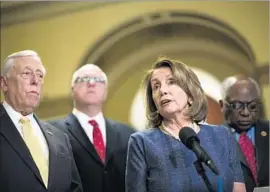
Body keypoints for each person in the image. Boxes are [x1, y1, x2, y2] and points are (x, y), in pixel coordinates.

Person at [125, 57, 246, 192]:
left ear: (190, 94)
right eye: (156, 86)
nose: (163, 90)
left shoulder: (222, 135)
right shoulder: (141, 142)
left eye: (171, 82)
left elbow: (238, 188)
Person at [0, 50, 82, 192]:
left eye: (40, 75)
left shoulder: (60, 138)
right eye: (26, 73)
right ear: (4, 83)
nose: (35, 81)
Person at [48, 64, 135, 192]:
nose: (92, 83)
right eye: (83, 79)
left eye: (98, 80)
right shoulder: (52, 132)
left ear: (106, 91)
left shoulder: (129, 134)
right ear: (72, 89)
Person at [219, 75, 269, 192]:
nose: (246, 112)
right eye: (237, 105)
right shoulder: (213, 140)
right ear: (222, 105)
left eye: (253, 106)